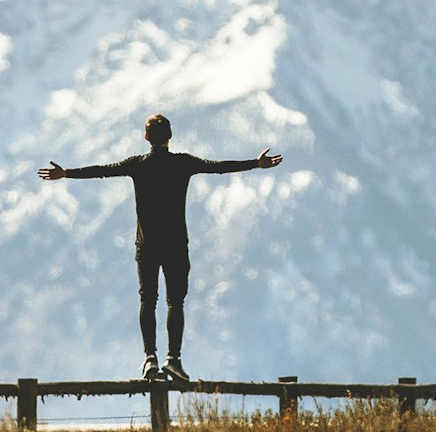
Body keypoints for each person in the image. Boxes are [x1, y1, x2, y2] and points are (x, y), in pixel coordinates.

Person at [37, 113, 284, 382]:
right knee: (175, 302)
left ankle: (150, 359)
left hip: (147, 246)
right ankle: (173, 360)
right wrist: (255, 164)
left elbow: (102, 170)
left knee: (148, 300)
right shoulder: (183, 163)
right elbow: (218, 166)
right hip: (176, 245)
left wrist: (66, 174)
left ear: (146, 138)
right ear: (170, 136)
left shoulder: (138, 164)